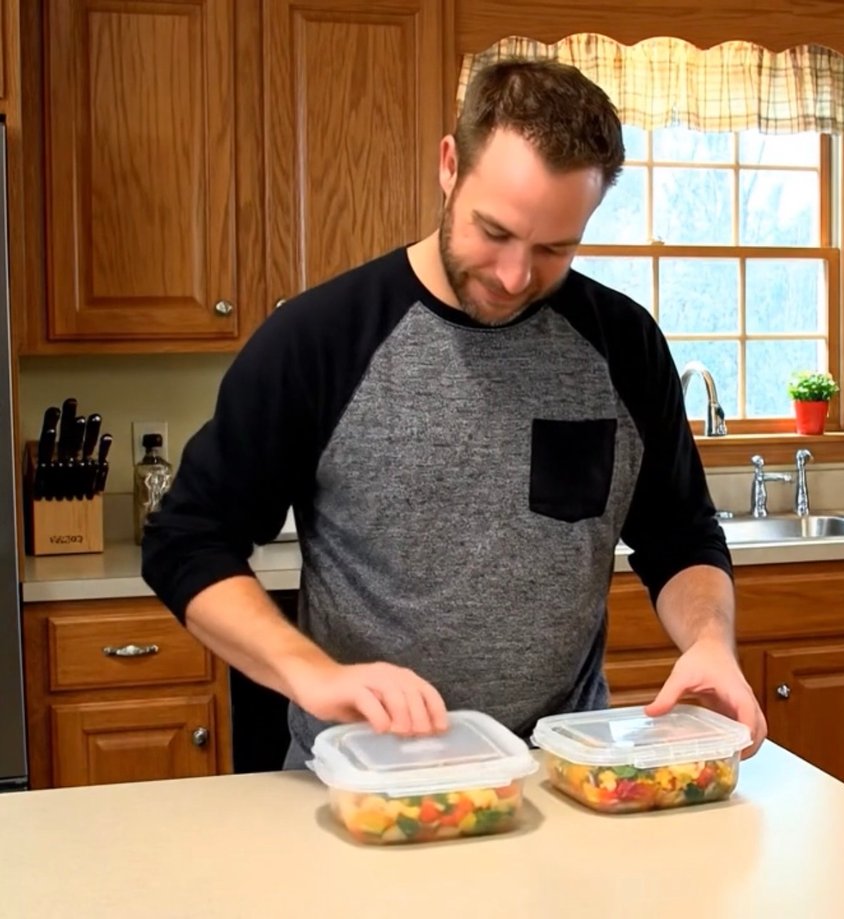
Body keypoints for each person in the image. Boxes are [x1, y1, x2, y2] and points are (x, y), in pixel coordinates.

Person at [140, 58, 766, 768]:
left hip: (557, 778)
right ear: (448, 166)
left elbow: (680, 536)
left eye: (554, 248)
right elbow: (187, 540)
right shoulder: (321, 340)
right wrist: (310, 671)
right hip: (365, 783)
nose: (514, 276)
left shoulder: (623, 346)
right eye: (493, 232)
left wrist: (711, 643)